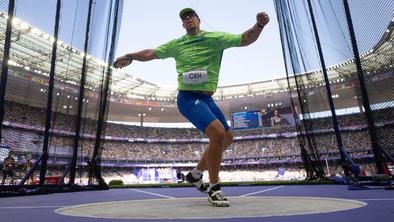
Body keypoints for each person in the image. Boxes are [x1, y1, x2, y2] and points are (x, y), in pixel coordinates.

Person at [114, 8, 269, 207]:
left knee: (227, 137)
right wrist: (131, 56)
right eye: (184, 18)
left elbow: (245, 39)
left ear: (198, 20)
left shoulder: (216, 38)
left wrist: (259, 25)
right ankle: (214, 188)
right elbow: (151, 53)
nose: (187, 19)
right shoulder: (177, 44)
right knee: (218, 133)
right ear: (182, 24)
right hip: (187, 97)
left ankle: (196, 175)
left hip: (207, 99)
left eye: (190, 16)